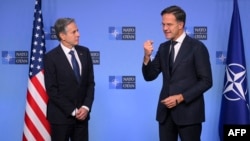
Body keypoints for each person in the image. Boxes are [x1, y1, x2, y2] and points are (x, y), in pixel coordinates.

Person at [142, 5, 212, 141]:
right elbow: (149, 76)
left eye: (169, 24)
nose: (165, 28)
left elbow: (206, 81)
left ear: (181, 25)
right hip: (165, 115)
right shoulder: (163, 48)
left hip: (189, 114)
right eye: (163, 24)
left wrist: (180, 97)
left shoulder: (197, 47)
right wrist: (146, 57)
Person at [44, 18, 95, 141]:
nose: (78, 34)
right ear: (62, 36)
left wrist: (86, 107)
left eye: (77, 30)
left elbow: (90, 83)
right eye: (74, 32)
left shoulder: (85, 52)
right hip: (60, 118)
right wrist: (73, 111)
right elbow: (52, 90)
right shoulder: (51, 58)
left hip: (82, 118)